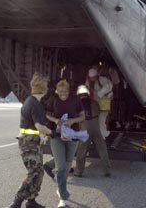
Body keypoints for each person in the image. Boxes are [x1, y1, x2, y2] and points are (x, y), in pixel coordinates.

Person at [6, 72, 54, 208]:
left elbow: (37, 123)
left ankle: (31, 201)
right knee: (34, 173)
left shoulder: (33, 102)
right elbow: (39, 125)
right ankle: (17, 201)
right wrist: (52, 133)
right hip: (29, 143)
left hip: (33, 141)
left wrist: (42, 135)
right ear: (44, 88)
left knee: (39, 173)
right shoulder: (34, 103)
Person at [45, 80, 85, 208]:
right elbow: (46, 114)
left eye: (65, 91)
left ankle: (61, 188)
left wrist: (73, 120)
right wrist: (56, 120)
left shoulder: (75, 100)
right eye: (60, 91)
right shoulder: (53, 99)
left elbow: (82, 116)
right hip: (56, 136)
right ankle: (63, 198)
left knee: (67, 167)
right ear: (57, 90)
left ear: (69, 91)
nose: (63, 93)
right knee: (61, 167)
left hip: (72, 136)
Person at [74, 85, 111, 177]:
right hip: (96, 126)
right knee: (102, 148)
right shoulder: (94, 102)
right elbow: (99, 111)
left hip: (85, 127)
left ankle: (79, 171)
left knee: (82, 150)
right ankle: (107, 170)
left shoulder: (78, 103)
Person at [86, 68, 113, 139]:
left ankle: (103, 134)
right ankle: (97, 134)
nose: (92, 79)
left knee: (102, 117)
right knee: (94, 118)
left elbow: (109, 86)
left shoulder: (103, 80)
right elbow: (86, 89)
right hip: (94, 101)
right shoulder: (88, 82)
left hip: (104, 100)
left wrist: (101, 92)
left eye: (94, 77)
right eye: (91, 78)